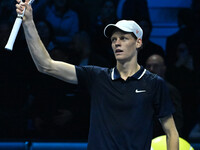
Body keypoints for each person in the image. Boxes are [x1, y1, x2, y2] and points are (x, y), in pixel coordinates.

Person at [16, 0, 179, 149]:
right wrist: (29, 22)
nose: (117, 43)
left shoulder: (154, 83)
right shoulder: (97, 76)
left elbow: (171, 132)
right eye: (114, 39)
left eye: (123, 38)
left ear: (138, 42)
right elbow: (46, 65)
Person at [145, 54, 184, 137]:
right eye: (148, 66)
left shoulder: (170, 90)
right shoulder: (140, 89)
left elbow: (177, 120)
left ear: (163, 69)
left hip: (163, 140)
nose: (151, 69)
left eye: (155, 66)